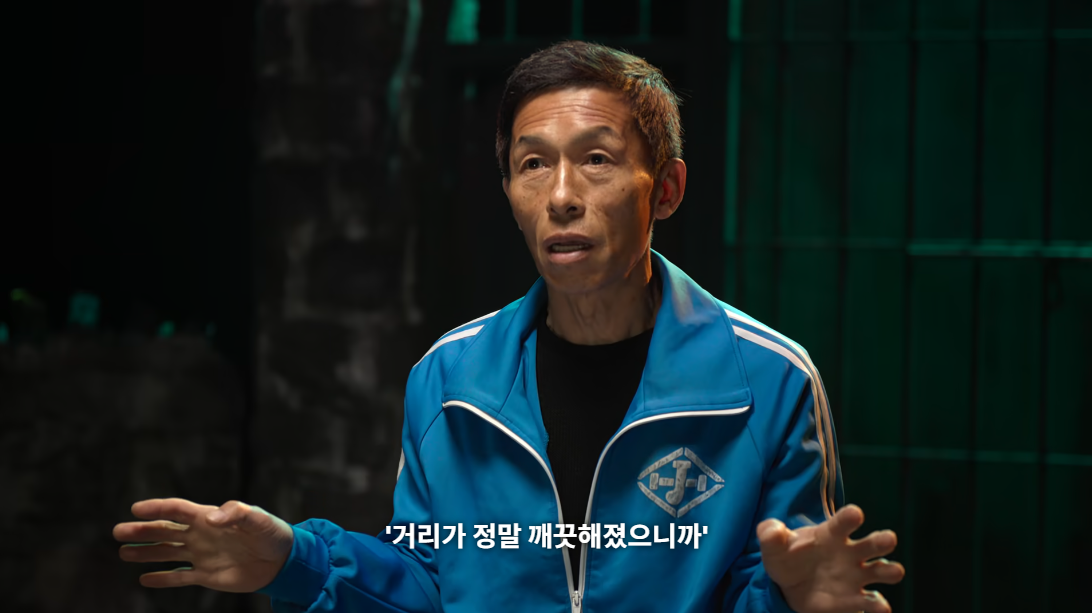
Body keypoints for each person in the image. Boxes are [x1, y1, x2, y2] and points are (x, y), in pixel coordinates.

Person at [114, 41, 905, 612]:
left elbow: (783, 578)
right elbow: (428, 582)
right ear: (510, 193)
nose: (561, 195)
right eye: (533, 164)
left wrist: (797, 598)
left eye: (596, 159)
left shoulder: (768, 378)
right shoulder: (450, 378)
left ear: (665, 189)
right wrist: (293, 559)